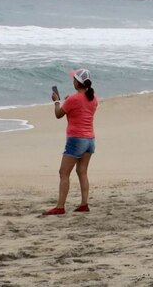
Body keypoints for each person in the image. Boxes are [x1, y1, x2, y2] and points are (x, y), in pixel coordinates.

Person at [42, 68, 98, 216]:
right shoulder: (93, 98)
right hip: (90, 140)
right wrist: (68, 101)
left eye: (74, 79)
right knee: (82, 172)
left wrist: (57, 101)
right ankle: (84, 204)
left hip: (76, 139)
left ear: (77, 83)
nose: (72, 81)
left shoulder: (73, 99)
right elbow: (82, 109)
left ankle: (60, 206)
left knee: (64, 173)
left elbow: (58, 114)